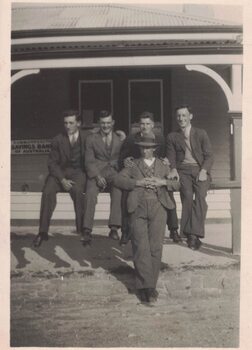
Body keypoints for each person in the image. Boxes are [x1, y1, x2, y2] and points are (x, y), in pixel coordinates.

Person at [114, 135, 180, 304]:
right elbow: (118, 180)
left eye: (149, 147)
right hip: (138, 207)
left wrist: (162, 182)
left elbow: (177, 184)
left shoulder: (163, 165)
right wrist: (138, 183)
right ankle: (145, 287)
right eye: (142, 147)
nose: (145, 150)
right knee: (140, 246)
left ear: (154, 148)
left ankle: (150, 287)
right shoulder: (133, 164)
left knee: (155, 247)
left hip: (159, 207)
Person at [119, 111, 180, 245]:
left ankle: (174, 229)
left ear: (152, 125)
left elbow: (165, 155)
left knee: (168, 193)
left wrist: (166, 162)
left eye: (147, 124)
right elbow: (123, 155)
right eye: (142, 124)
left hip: (157, 172)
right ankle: (125, 231)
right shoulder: (131, 138)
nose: (145, 127)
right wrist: (126, 160)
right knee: (126, 195)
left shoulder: (160, 138)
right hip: (138, 172)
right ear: (138, 125)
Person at [33, 110, 86, 247]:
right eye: (65, 123)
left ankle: (82, 231)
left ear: (78, 123)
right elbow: (52, 163)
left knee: (78, 191)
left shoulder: (86, 138)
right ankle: (42, 232)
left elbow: (100, 141)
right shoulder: (57, 139)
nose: (68, 126)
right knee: (47, 192)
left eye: (71, 123)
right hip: (58, 174)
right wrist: (62, 179)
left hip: (77, 173)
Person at [166, 105, 213, 250]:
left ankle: (193, 235)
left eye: (184, 115)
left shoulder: (200, 133)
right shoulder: (172, 136)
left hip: (200, 169)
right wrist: (173, 169)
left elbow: (209, 155)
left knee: (200, 196)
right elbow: (171, 156)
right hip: (183, 171)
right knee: (186, 196)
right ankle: (190, 236)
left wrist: (204, 170)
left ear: (190, 116)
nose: (181, 118)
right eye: (179, 116)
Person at [81, 110, 123, 245]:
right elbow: (88, 161)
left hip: (114, 172)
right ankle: (87, 230)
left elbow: (123, 156)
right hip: (97, 172)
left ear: (113, 123)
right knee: (90, 194)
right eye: (103, 123)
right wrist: (97, 176)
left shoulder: (119, 138)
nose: (106, 126)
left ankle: (114, 228)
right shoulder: (91, 139)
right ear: (99, 123)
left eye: (108, 123)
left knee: (118, 190)